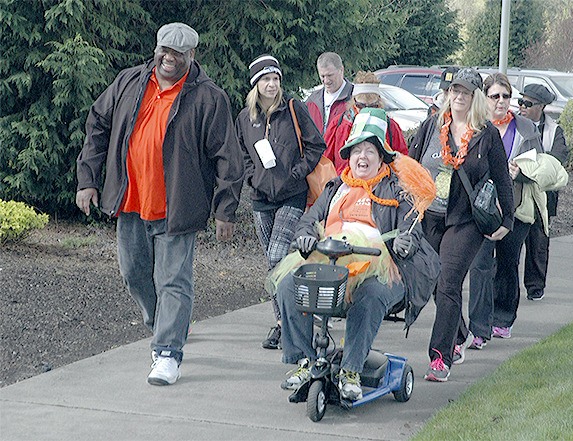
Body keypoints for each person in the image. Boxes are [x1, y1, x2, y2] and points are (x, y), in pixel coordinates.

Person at [75, 23, 244, 386]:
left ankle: (168, 352)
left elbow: (228, 157)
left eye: (177, 53)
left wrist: (225, 210)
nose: (169, 58)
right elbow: (98, 124)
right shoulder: (130, 82)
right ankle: (162, 323)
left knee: (173, 280)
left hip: (178, 207)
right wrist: (87, 179)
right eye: (164, 50)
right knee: (133, 273)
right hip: (131, 201)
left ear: (191, 56)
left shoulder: (208, 97)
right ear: (156, 49)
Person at [271, 107, 439, 400]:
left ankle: (351, 369)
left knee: (370, 295)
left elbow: (410, 227)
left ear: (381, 157)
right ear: (348, 156)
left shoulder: (396, 189)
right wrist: (306, 237)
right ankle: (304, 361)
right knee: (287, 285)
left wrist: (405, 242)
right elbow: (309, 221)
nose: (362, 157)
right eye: (357, 150)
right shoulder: (335, 187)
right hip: (332, 263)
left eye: (370, 151)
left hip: (379, 264)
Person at [409, 68, 515, 381]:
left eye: (466, 92)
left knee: (449, 280)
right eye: (454, 90)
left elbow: (501, 178)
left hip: (466, 220)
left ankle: (439, 359)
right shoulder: (431, 126)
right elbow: (411, 168)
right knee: (435, 285)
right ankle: (458, 335)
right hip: (430, 216)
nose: (458, 96)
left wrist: (507, 217)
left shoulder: (486, 134)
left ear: (475, 97)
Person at [235, 54, 326, 350]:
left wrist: (296, 173)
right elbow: (242, 153)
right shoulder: (245, 118)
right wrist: (252, 177)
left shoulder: (293, 109)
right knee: (274, 262)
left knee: (277, 257)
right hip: (261, 198)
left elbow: (316, 145)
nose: (272, 84)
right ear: (255, 85)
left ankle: (293, 320)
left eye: (275, 79)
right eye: (266, 80)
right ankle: (282, 322)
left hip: (292, 195)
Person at [466, 73, 545, 347]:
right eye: (495, 96)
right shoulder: (475, 127)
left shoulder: (525, 128)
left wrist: (520, 172)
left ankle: (503, 317)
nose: (501, 102)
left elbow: (539, 166)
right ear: (484, 98)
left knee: (507, 264)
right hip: (482, 211)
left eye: (506, 96)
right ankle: (478, 327)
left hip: (516, 207)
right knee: (480, 266)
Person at [519, 84, 569, 301]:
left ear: (541, 107)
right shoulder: (514, 126)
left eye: (527, 104)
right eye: (520, 102)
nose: (521, 107)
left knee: (538, 242)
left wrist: (530, 169)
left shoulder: (554, 131)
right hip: (518, 191)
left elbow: (556, 161)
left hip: (543, 195)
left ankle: (535, 287)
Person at [323, 71, 408, 174]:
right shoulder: (339, 124)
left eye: (372, 106)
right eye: (362, 106)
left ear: (379, 103)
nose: (367, 111)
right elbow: (325, 161)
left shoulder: (390, 126)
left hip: (380, 186)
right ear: (354, 102)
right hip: (344, 184)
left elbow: (402, 163)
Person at [305, 52, 353, 135]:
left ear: (341, 70)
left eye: (330, 75)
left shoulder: (355, 98)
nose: (326, 81)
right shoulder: (311, 101)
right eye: (322, 76)